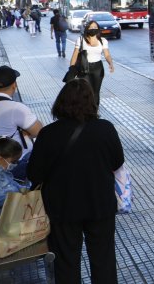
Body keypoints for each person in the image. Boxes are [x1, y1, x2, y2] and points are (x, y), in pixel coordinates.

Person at [27, 79, 124, 284]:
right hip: (100, 205)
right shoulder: (105, 128)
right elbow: (117, 161)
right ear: (91, 102)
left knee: (66, 261)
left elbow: (34, 173)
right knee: (103, 258)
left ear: (60, 102)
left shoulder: (48, 134)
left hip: (62, 209)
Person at [0, 65, 42, 181]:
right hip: (14, 165)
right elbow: (39, 131)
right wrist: (26, 131)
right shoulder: (16, 108)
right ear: (14, 86)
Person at [71, 20, 114, 107]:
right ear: (87, 28)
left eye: (95, 27)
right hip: (84, 68)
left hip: (98, 68)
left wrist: (111, 63)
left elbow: (107, 54)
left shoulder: (103, 41)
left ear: (98, 29)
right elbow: (75, 55)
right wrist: (71, 69)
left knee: (96, 91)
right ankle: (86, 109)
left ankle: (95, 111)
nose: (93, 29)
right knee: (86, 90)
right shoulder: (81, 40)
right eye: (91, 27)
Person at [0, 137, 26, 227]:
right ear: (0, 159)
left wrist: (25, 190)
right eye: (13, 161)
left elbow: (14, 184)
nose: (15, 164)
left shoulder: (2, 171)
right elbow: (2, 201)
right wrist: (23, 200)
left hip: (10, 210)